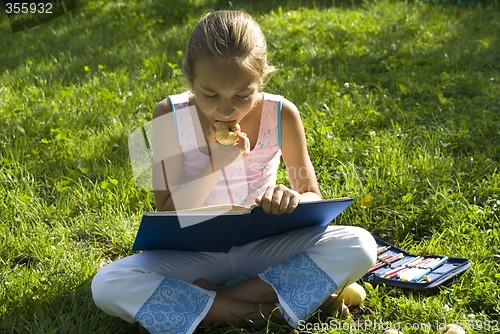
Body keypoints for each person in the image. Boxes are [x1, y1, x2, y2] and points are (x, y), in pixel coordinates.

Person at [91, 10, 376, 334]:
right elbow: (168, 210)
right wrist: (217, 164)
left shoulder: (281, 114)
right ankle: (269, 312)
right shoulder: (170, 114)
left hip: (265, 247)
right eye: (210, 95)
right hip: (193, 254)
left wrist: (291, 196)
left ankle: (205, 304)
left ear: (261, 79)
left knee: (360, 244)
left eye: (243, 95)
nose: (226, 109)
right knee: (107, 284)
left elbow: (311, 193)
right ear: (191, 81)